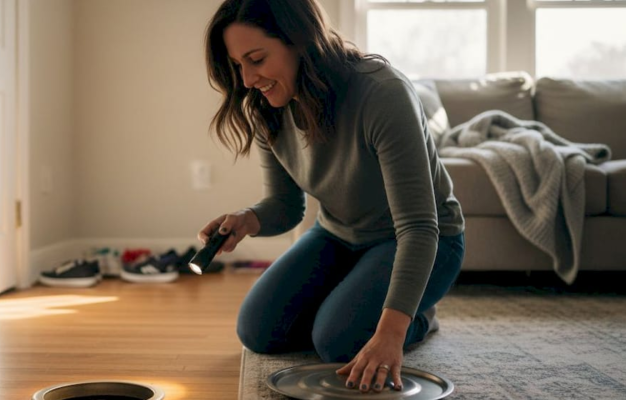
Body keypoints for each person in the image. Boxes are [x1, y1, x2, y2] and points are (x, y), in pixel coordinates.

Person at [198, 0, 465, 394]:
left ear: (300, 41)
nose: (248, 79)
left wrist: (392, 331)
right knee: (257, 331)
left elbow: (419, 226)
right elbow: (287, 207)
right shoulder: (266, 108)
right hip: (339, 235)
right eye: (238, 65)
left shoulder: (381, 93)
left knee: (337, 343)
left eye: (256, 59)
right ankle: (356, 300)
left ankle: (420, 314)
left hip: (424, 240)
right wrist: (249, 219)